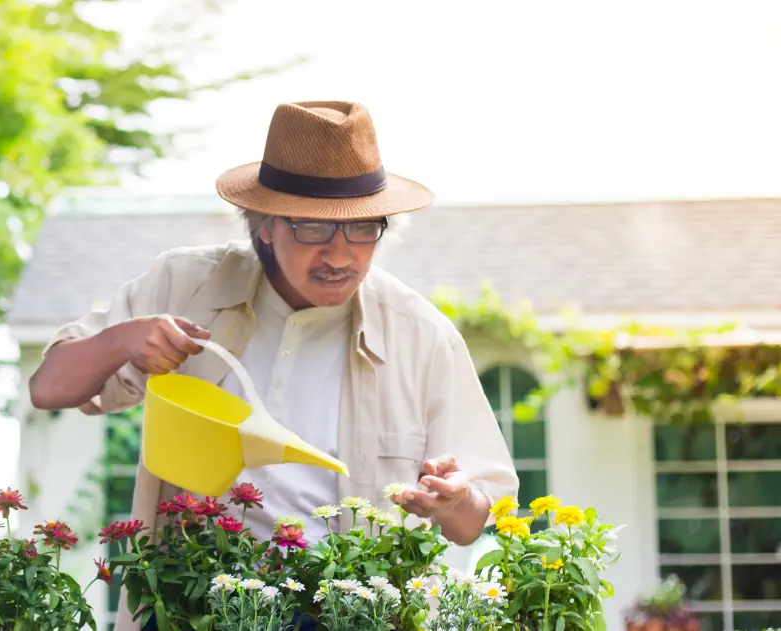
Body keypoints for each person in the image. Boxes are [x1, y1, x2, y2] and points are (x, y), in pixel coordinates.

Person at [29, 100, 518, 631]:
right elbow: (48, 387)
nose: (339, 255)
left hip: (343, 613)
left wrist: (454, 500)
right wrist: (123, 341)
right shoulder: (186, 284)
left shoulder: (420, 336)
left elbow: (474, 521)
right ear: (263, 226)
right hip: (191, 604)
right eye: (312, 228)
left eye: (362, 230)